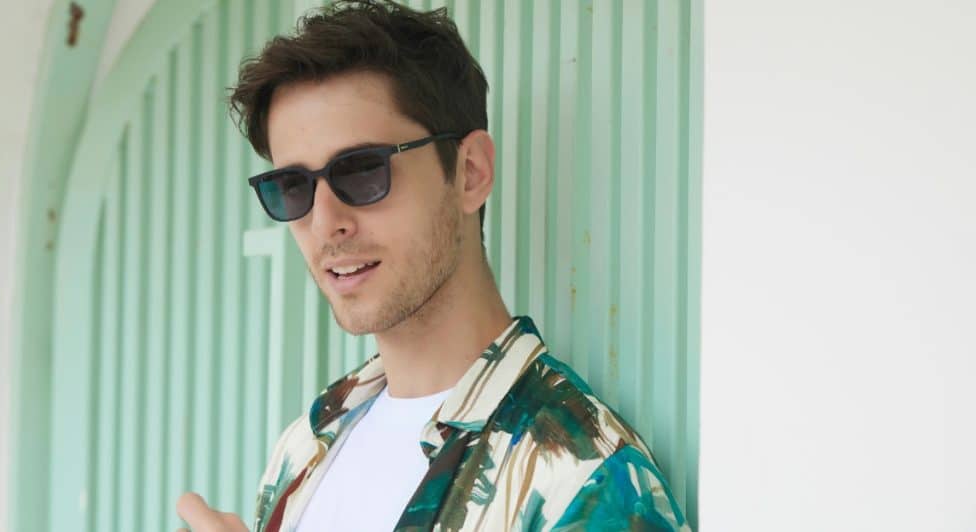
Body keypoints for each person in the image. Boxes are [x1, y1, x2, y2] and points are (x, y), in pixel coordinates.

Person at [176, 1, 690, 530]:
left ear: (469, 173)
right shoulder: (309, 442)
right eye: (293, 187)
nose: (326, 223)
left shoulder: (580, 477)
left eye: (362, 171)